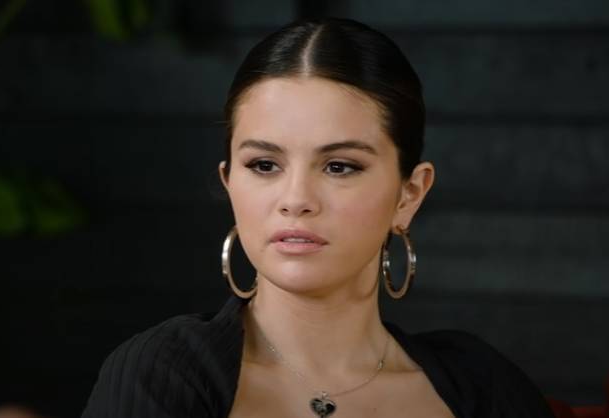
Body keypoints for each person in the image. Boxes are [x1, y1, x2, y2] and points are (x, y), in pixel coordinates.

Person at [81, 17, 556, 418]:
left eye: (339, 166)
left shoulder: (481, 384)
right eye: (264, 165)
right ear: (229, 183)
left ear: (409, 194)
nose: (296, 199)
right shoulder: (164, 372)